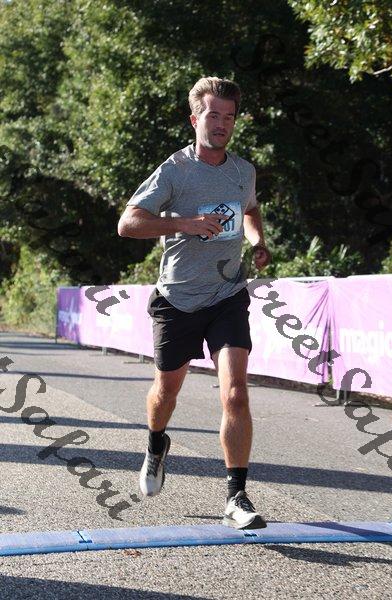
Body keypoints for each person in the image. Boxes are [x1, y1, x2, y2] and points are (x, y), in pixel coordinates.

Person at [118, 76, 271, 529]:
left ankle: (236, 496)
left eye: (229, 117)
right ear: (195, 119)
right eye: (213, 115)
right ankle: (156, 443)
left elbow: (250, 209)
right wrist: (185, 223)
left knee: (236, 392)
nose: (221, 124)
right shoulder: (175, 170)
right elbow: (128, 223)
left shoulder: (243, 171)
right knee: (166, 392)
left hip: (227, 295)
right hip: (178, 298)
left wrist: (257, 241)